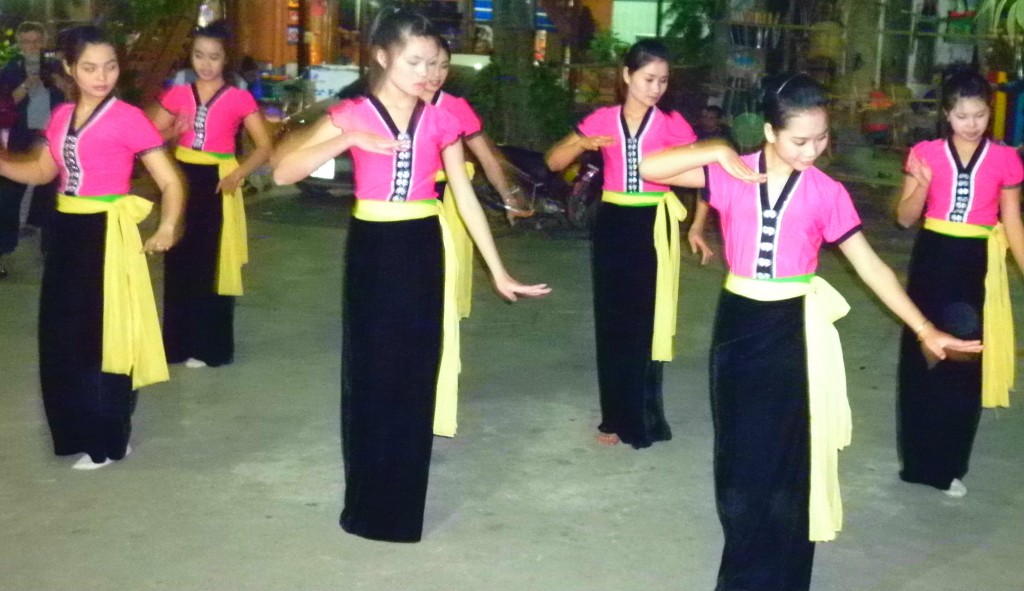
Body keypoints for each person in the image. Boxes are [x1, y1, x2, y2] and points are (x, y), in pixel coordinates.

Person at [640, 73, 981, 591]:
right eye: (801, 139)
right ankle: (743, 574)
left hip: (794, 331)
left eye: (821, 138)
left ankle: (784, 577)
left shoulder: (828, 192)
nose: (813, 150)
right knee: (739, 461)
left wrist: (925, 329)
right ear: (771, 133)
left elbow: (870, 267)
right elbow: (647, 166)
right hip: (738, 328)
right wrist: (715, 150)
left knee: (790, 456)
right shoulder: (732, 172)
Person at [271, 8, 549, 543]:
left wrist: (498, 271)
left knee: (415, 374)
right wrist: (347, 141)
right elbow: (283, 171)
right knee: (372, 373)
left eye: (436, 64)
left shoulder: (442, 118)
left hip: (423, 246)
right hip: (373, 249)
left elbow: (464, 198)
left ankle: (400, 510)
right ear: (382, 56)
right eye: (415, 61)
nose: (429, 74)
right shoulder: (352, 112)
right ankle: (366, 503)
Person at [0, 25, 184, 469]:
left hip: (107, 233)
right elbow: (43, 171)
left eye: (110, 66)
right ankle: (74, 431)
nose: (101, 76)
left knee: (105, 338)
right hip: (64, 231)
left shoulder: (128, 118)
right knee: (61, 335)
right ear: (68, 68)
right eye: (89, 67)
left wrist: (169, 225)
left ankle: (106, 439)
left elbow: (170, 180)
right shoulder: (61, 116)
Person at [545, 39, 707, 449]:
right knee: (613, 319)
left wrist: (697, 228)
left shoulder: (673, 124)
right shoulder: (602, 118)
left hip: (655, 223)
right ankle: (615, 418)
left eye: (663, 81)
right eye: (648, 78)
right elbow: (553, 162)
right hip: (614, 223)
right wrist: (583, 144)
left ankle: (648, 416)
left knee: (650, 320)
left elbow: (708, 179)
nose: (656, 88)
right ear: (626, 76)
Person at [895, 66, 1024, 498]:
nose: (972, 124)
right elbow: (904, 217)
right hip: (932, 257)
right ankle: (916, 463)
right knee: (922, 359)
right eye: (962, 115)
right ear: (946, 114)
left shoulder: (1006, 158)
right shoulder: (925, 153)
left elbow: (1014, 223)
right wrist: (921, 188)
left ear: (990, 113)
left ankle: (949, 466)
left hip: (974, 266)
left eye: (980, 114)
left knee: (963, 363)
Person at [150, 21, 272, 368]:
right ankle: (175, 344)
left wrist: (239, 173)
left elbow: (264, 146)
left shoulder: (239, 98)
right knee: (177, 261)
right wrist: (172, 131)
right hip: (181, 179)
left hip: (219, 182)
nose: (205, 63)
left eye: (214, 57)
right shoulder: (177, 94)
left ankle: (209, 347)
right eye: (199, 55)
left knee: (211, 264)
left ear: (226, 60)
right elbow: (147, 136)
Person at [421, 34, 528, 317]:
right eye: (430, 64)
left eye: (443, 66)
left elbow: (486, 157)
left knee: (444, 275)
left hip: (450, 199)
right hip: (408, 201)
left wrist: (508, 196)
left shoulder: (455, 107)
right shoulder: (398, 105)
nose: (436, 74)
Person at [0, 21, 67, 277]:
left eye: (36, 41)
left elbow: (72, 96)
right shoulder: (9, 69)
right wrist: (27, 84)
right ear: (18, 43)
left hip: (52, 138)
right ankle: (3, 251)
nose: (31, 46)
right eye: (26, 41)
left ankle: (51, 250)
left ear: (44, 41)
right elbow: (4, 103)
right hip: (20, 137)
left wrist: (60, 83)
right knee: (7, 198)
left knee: (52, 196)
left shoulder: (56, 66)